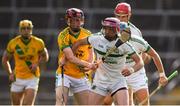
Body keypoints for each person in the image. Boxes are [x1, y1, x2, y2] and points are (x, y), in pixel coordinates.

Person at [72, 17, 144, 105]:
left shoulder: (124, 44)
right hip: (100, 81)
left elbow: (140, 62)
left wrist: (131, 70)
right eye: (105, 28)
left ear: (117, 29)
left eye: (111, 29)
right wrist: (73, 59)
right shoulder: (96, 38)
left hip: (118, 81)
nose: (107, 31)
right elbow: (77, 43)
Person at [2, 19, 49, 105]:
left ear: (31, 29)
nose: (26, 30)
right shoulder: (13, 43)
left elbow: (45, 56)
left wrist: (37, 64)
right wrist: (10, 74)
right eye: (23, 28)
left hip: (32, 77)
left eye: (28, 28)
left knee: (27, 104)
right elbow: (5, 59)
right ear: (20, 30)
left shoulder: (38, 42)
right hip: (17, 77)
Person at [55, 8, 97, 105]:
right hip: (65, 73)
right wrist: (89, 65)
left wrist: (89, 67)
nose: (76, 22)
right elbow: (70, 57)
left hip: (81, 75)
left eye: (78, 20)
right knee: (60, 102)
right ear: (68, 21)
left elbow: (91, 53)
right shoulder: (63, 35)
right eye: (73, 20)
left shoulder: (87, 34)